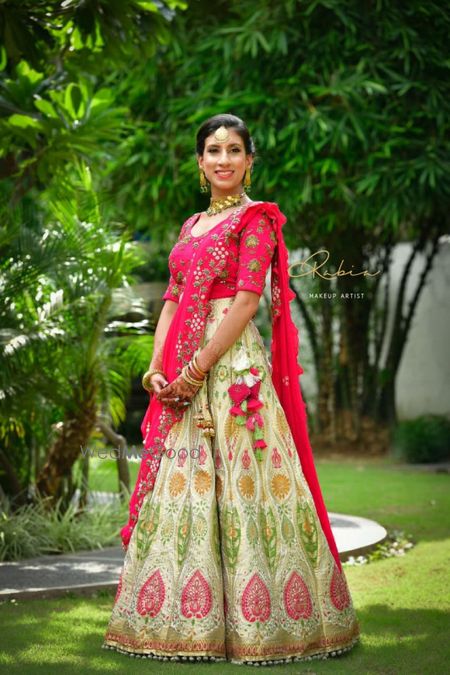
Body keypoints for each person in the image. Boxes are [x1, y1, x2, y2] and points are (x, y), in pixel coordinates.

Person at [103, 113, 360, 666]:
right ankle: (177, 625)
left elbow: (246, 302)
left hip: (233, 368)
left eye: (234, 150)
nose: (223, 159)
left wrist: (196, 369)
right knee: (185, 485)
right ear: (200, 162)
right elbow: (171, 298)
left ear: (249, 161)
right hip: (181, 370)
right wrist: (156, 367)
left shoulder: (257, 221)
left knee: (248, 483)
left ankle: (268, 628)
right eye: (213, 150)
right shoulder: (190, 226)